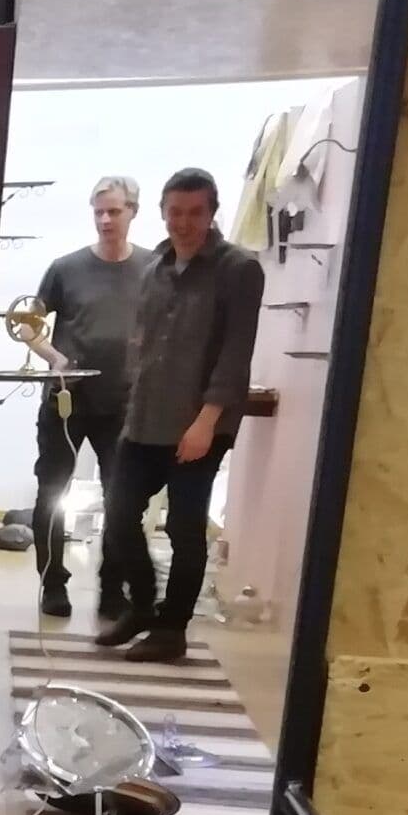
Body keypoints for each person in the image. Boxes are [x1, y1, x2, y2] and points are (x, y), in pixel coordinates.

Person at [95, 167, 265, 664]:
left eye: (195, 212)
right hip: (146, 417)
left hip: (200, 424)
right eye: (175, 212)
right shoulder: (156, 266)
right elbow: (144, 344)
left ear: (212, 214)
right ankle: (143, 605)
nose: (184, 223)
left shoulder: (239, 269)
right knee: (119, 515)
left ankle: (171, 630)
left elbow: (236, 352)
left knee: (184, 528)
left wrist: (206, 422)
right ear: (162, 212)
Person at [28, 177, 154, 619]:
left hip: (123, 405)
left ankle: (112, 589)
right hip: (67, 402)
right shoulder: (65, 269)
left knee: (122, 501)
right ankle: (53, 585)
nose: (105, 220)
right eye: (98, 211)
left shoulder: (154, 268)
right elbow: (27, 325)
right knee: (51, 494)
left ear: (133, 211)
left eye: (114, 211)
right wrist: (54, 357)